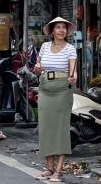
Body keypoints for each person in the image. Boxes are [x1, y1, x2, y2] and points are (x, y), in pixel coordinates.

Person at [35, 17, 77, 182]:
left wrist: (73, 78)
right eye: (58, 27)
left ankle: (58, 170)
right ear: (52, 31)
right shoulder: (45, 47)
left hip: (62, 89)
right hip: (45, 87)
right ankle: (49, 168)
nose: (61, 30)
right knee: (46, 127)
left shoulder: (70, 49)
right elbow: (38, 70)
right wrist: (37, 69)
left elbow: (73, 71)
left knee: (60, 127)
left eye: (63, 28)